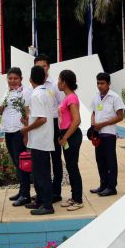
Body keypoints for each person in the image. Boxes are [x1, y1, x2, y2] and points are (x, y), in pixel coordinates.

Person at [22, 65, 55, 215]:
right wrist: (29, 120)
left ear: (30, 80)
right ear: (44, 78)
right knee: (40, 173)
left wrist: (26, 129)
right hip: (44, 139)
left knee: (42, 175)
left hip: (39, 141)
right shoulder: (47, 92)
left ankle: (47, 205)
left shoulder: (35, 95)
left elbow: (42, 119)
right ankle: (41, 200)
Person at [0, 68, 32, 207]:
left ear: (21, 79)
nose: (12, 81)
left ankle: (26, 195)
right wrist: (0, 108)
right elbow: (1, 110)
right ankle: (21, 191)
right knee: (16, 163)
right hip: (8, 131)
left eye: (15, 78)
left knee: (22, 163)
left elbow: (28, 112)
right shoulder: (7, 91)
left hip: (19, 131)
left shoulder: (25, 92)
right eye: (10, 78)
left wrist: (26, 133)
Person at [89, 72, 125, 197]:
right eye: (98, 83)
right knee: (100, 161)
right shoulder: (96, 97)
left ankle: (111, 187)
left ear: (109, 84)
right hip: (98, 134)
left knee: (110, 161)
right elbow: (93, 112)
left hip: (109, 134)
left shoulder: (115, 97)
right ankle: (103, 185)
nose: (100, 86)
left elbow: (120, 117)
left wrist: (103, 124)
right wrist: (93, 121)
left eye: (102, 83)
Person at [34, 54, 64, 203]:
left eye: (44, 66)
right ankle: (43, 192)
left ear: (49, 67)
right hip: (40, 127)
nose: (42, 69)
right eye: (38, 66)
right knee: (42, 162)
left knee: (56, 160)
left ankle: (56, 192)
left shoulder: (54, 85)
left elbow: (62, 105)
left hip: (53, 124)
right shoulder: (33, 86)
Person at [57, 70, 83, 211]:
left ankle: (78, 200)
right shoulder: (67, 97)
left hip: (71, 136)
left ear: (64, 82)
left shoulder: (71, 98)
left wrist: (65, 137)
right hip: (66, 135)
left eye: (59, 80)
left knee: (73, 167)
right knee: (71, 166)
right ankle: (74, 197)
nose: (58, 83)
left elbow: (77, 120)